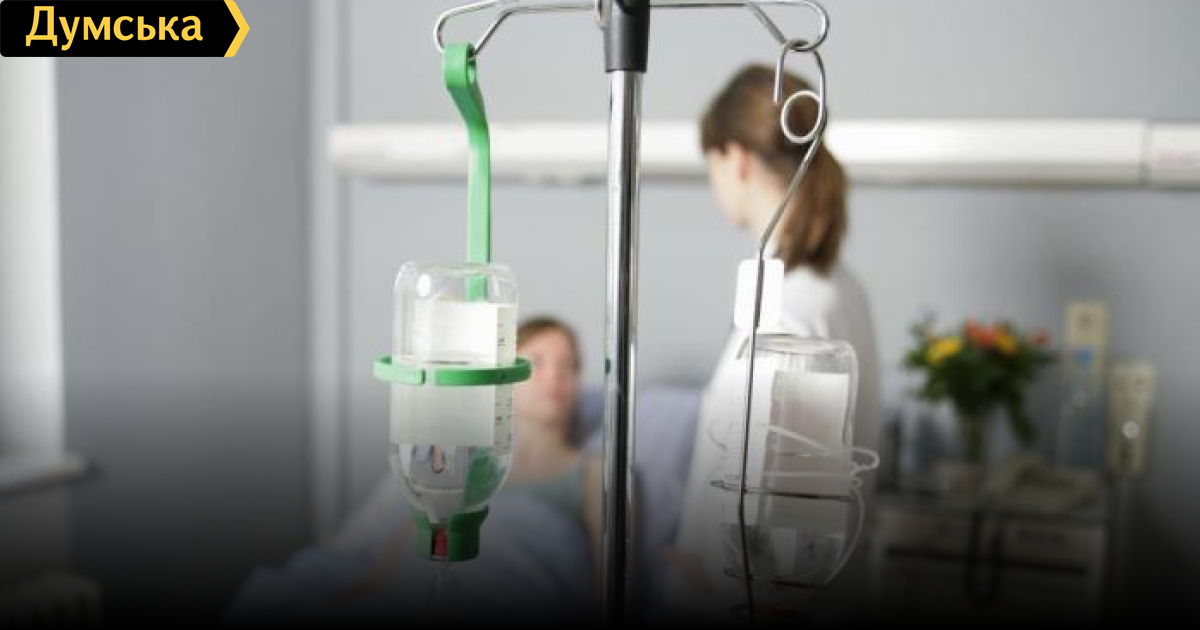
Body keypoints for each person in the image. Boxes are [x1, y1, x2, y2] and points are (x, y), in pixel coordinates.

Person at [660, 64, 882, 624]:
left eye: (711, 165)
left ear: (735, 159)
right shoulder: (837, 287)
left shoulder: (791, 314)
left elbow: (783, 529)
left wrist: (698, 574)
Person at [222, 316, 604, 624]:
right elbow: (413, 539)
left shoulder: (591, 472)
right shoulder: (465, 458)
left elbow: (607, 580)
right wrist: (355, 595)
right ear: (506, 376)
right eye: (537, 362)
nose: (555, 377)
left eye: (569, 365)